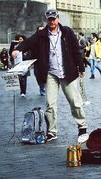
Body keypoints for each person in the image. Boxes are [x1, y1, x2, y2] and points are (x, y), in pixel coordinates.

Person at [12, 9, 88, 143]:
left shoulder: (67, 32)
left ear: (58, 19)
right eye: (49, 19)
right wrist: (18, 49)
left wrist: (80, 67)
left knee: (75, 102)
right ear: (46, 20)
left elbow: (76, 50)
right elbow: (28, 42)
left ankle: (82, 128)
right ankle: (52, 132)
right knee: (50, 104)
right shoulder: (41, 34)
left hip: (67, 72)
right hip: (51, 73)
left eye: (54, 18)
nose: (52, 21)